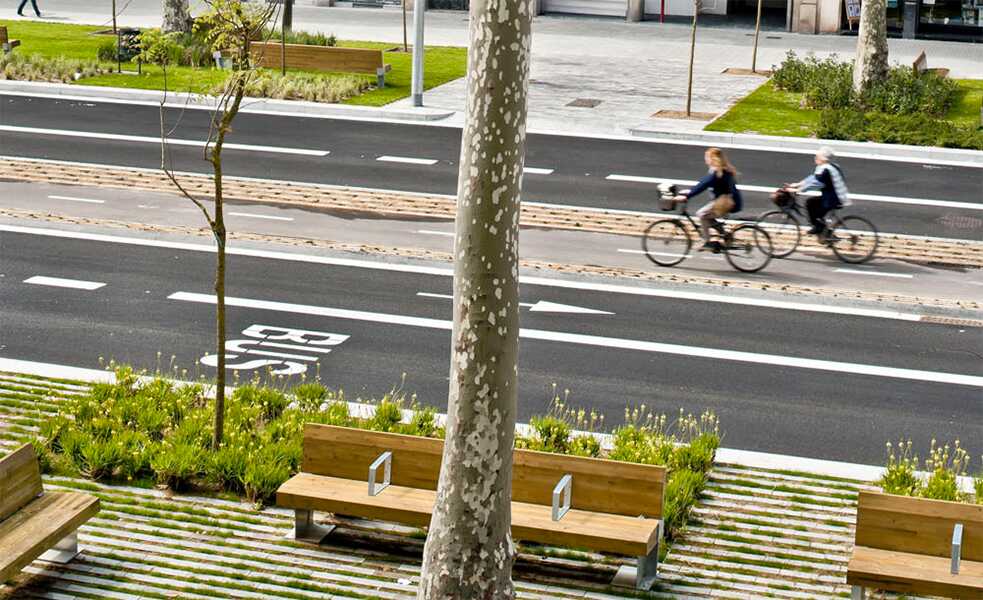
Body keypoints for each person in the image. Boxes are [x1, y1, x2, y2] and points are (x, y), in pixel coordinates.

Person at [674, 147, 743, 252]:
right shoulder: (722, 169)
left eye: (707, 157)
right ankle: (725, 235)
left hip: (726, 202)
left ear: (712, 158)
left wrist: (688, 196)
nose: (705, 159)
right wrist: (690, 191)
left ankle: (707, 242)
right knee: (708, 216)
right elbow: (703, 183)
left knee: (701, 214)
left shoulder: (717, 172)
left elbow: (704, 184)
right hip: (726, 200)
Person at [785, 147, 850, 238]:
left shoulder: (825, 170)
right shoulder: (829, 166)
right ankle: (825, 232)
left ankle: (821, 229)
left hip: (834, 199)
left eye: (817, 156)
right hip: (834, 196)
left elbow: (815, 184)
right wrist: (797, 184)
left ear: (823, 159)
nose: (815, 158)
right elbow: (813, 178)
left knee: (811, 206)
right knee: (813, 205)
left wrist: (798, 190)